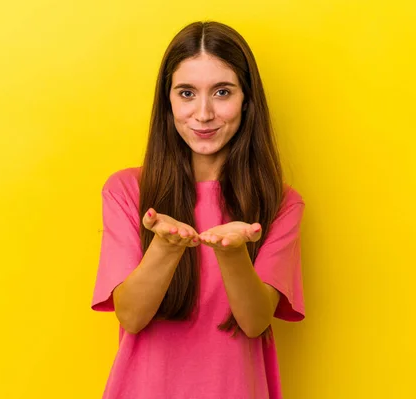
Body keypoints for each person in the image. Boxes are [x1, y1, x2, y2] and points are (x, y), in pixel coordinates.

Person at [91, 20, 306, 399]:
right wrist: (167, 246)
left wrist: (233, 253)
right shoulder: (126, 191)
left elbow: (255, 322)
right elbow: (131, 316)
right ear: (168, 101)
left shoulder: (280, 204)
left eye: (222, 92)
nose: (203, 113)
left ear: (246, 99)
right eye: (187, 93)